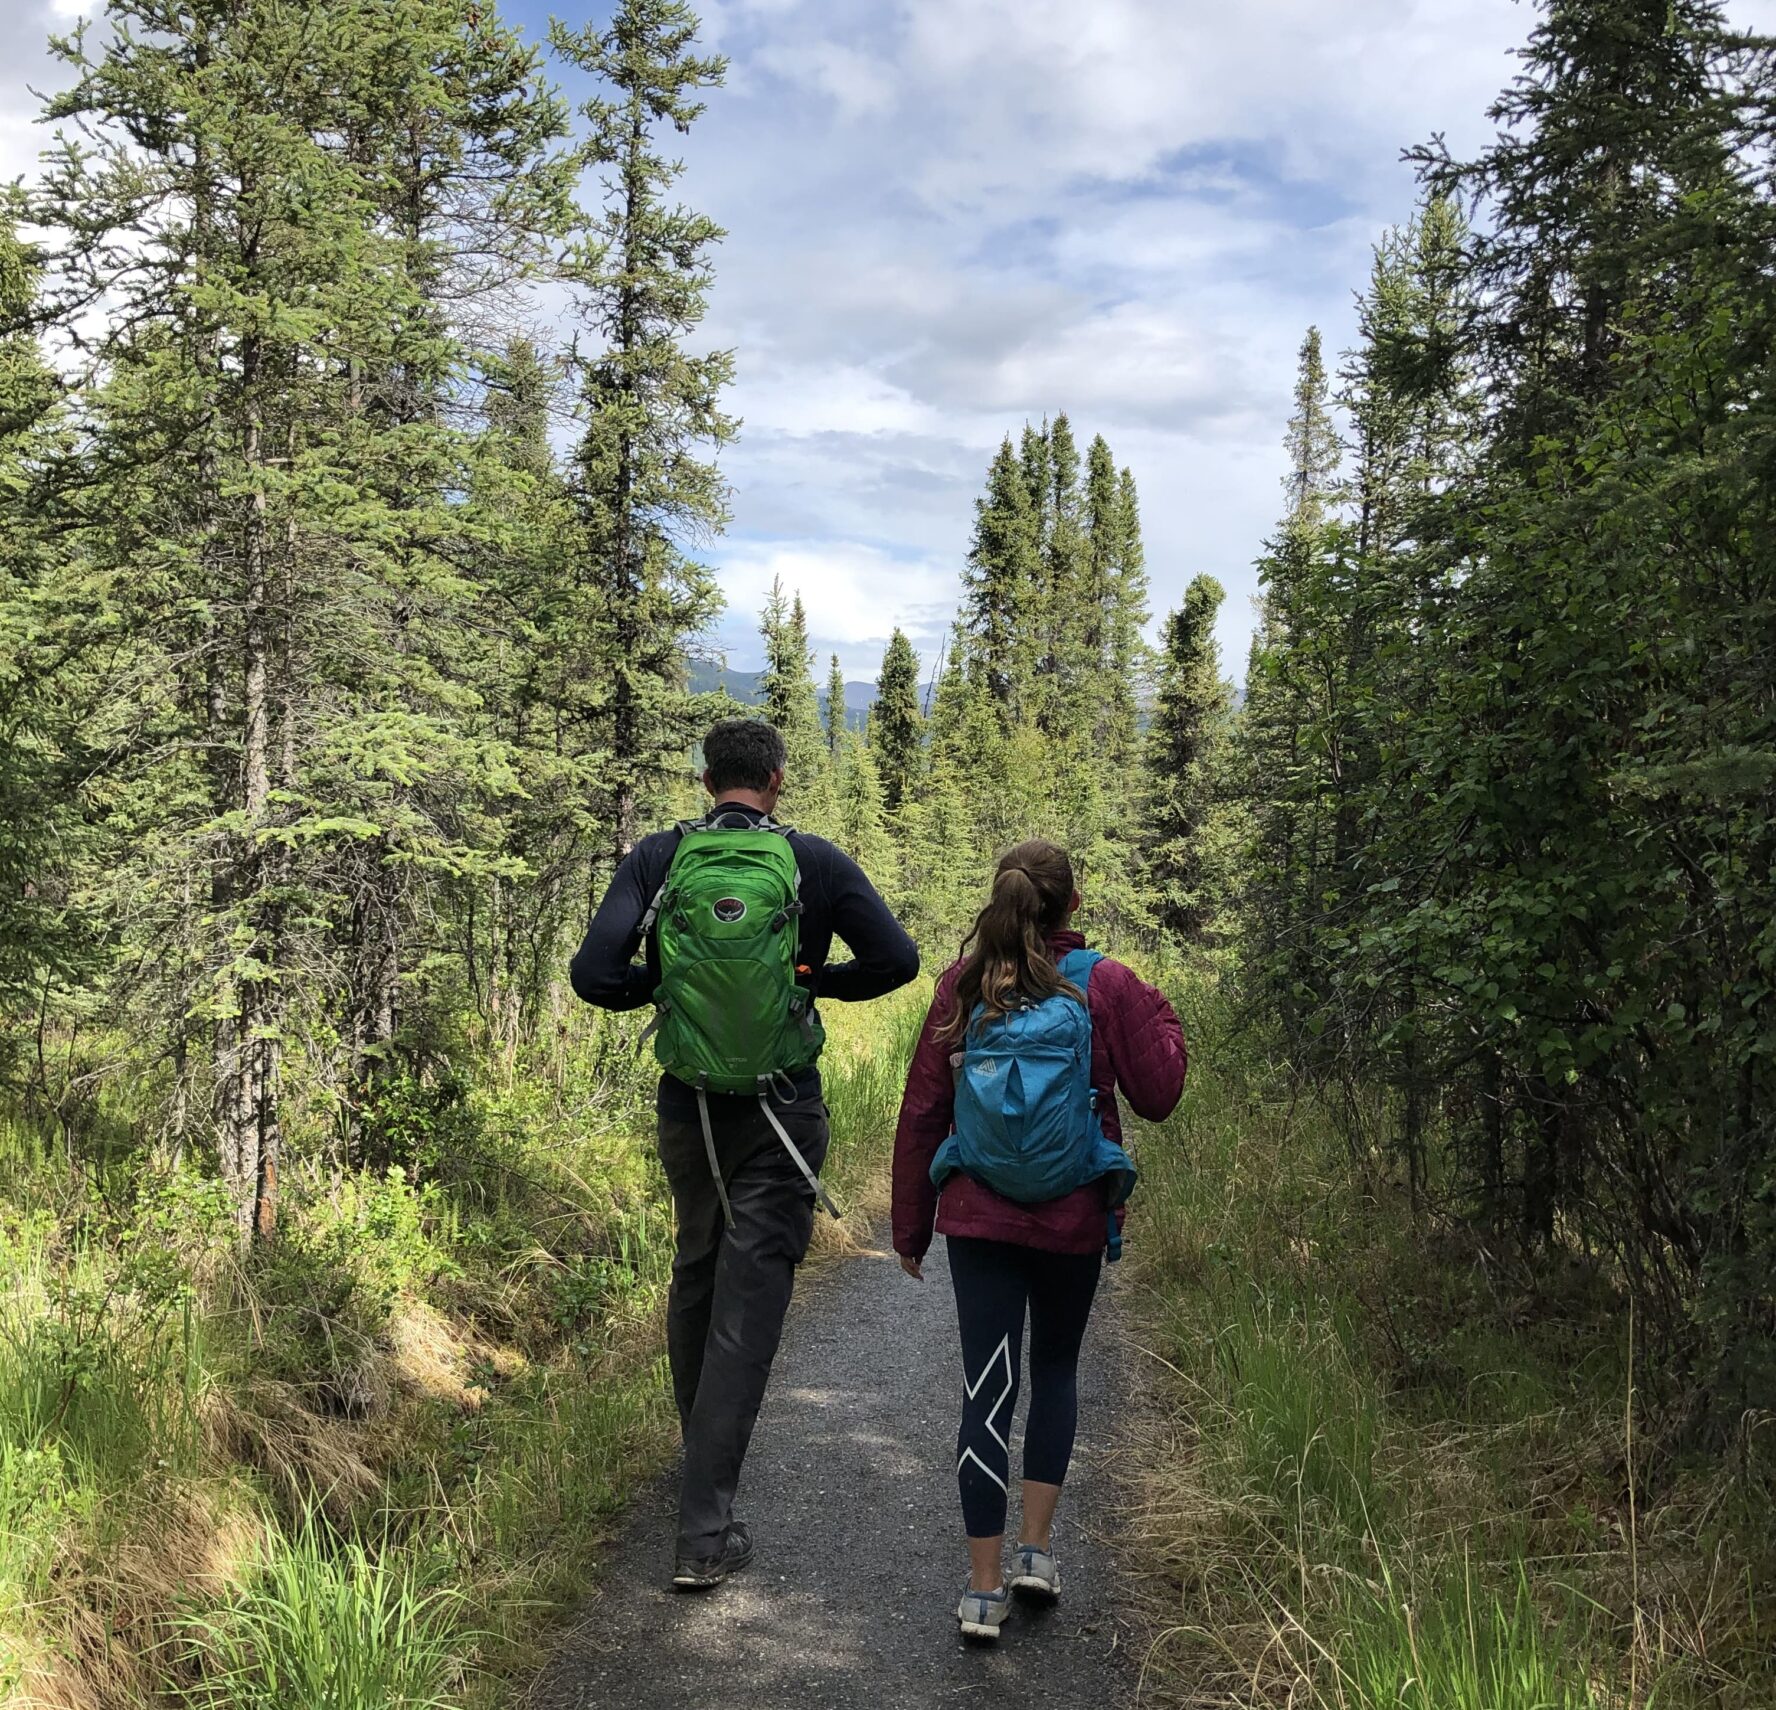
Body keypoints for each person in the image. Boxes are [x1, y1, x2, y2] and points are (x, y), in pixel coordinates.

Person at [572, 717, 919, 1589]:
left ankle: (703, 1472)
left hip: (688, 1104)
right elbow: (898, 961)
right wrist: (814, 981)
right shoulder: (815, 863)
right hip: (779, 1112)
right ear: (776, 778)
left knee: (696, 1270)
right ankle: (702, 1532)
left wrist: (665, 983)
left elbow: (592, 976)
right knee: (748, 1310)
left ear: (705, 780)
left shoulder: (659, 858)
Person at [891, 839, 1185, 1640]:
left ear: (1003, 897)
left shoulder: (964, 984)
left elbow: (923, 1112)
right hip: (1073, 1216)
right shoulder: (1104, 985)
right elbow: (1159, 1094)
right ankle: (1035, 1551)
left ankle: (982, 1590)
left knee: (986, 1387)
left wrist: (912, 1227)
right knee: (1055, 1369)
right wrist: (1164, 1020)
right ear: (1072, 907)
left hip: (979, 1217)